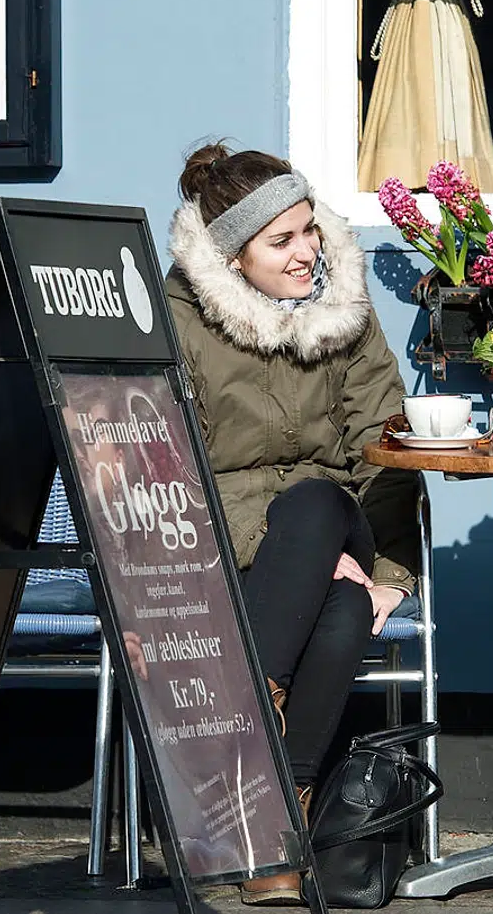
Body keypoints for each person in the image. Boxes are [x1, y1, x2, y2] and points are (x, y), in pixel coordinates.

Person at [165, 142, 420, 905]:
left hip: (336, 521)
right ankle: (277, 826)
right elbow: (177, 466)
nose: (308, 251)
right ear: (231, 257)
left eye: (310, 229)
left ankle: (240, 752)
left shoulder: (343, 305)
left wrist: (387, 576)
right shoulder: (179, 320)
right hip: (221, 540)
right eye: (281, 240)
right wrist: (317, 570)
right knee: (336, 608)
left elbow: (385, 442)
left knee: (315, 505)